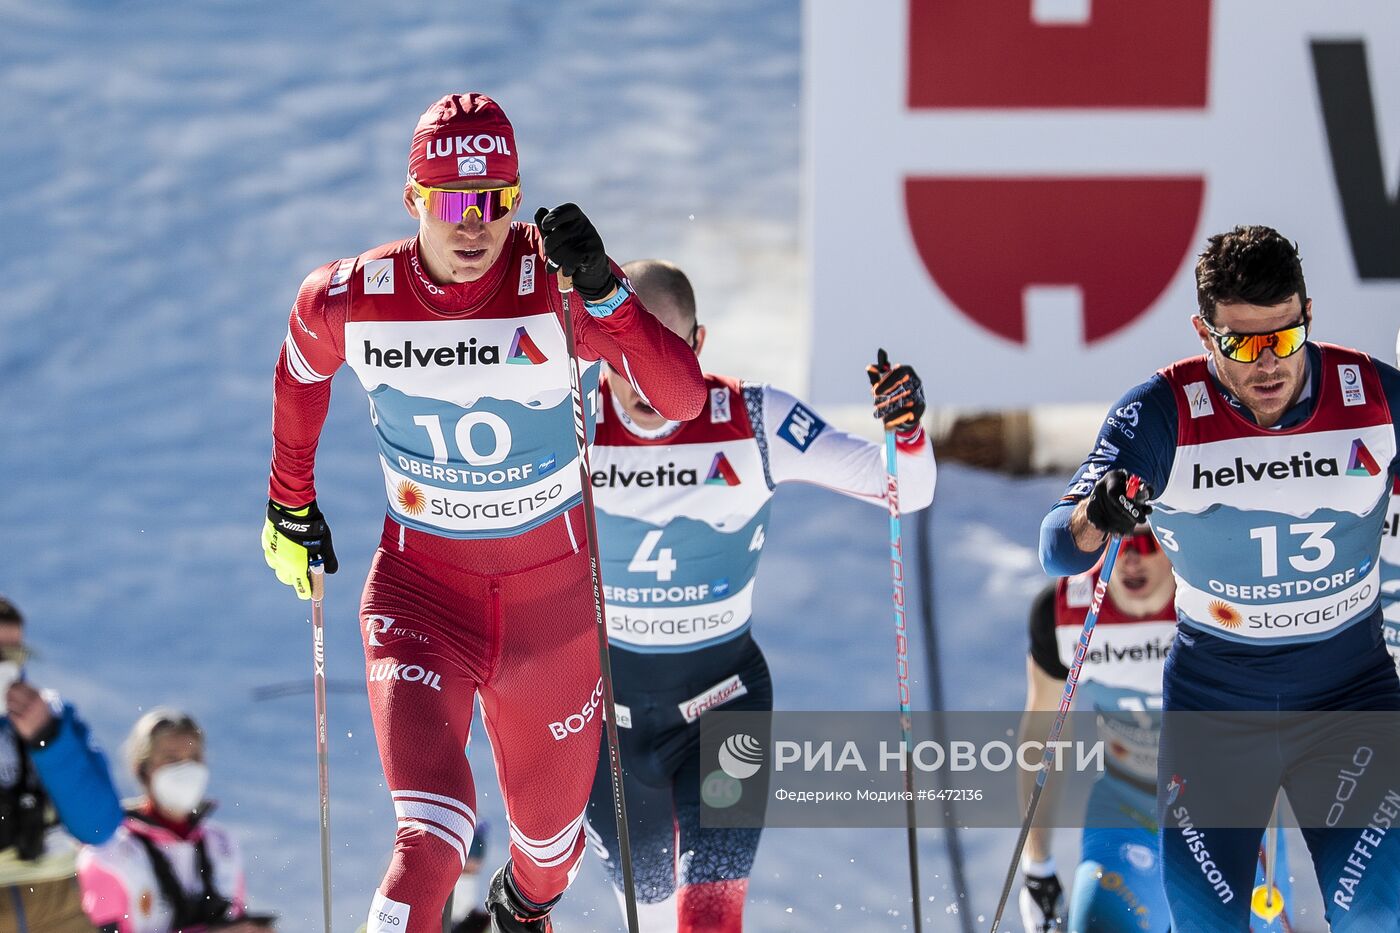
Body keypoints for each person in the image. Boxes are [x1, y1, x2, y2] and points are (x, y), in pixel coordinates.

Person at [259, 94, 706, 933]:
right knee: (430, 840)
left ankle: (523, 907)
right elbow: (300, 365)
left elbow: (680, 398)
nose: (477, 226)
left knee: (548, 853)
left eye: (497, 200)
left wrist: (608, 293)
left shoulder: (556, 284)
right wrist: (288, 500)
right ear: (413, 199)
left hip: (553, 615)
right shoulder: (352, 297)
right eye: (456, 202)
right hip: (421, 596)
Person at [1039, 225, 1400, 931]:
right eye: (1242, 344)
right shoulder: (1162, 412)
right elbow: (1058, 547)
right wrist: (1097, 512)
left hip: (1349, 700)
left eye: (1285, 338)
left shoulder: (1375, 395)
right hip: (1216, 714)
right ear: (1205, 332)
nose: (1270, 366)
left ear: (1307, 315)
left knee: (1378, 913)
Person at [581, 260, 935, 931]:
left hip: (723, 705)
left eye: (668, 354)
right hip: (606, 721)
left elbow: (905, 489)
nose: (647, 381)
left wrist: (907, 432)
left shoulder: (752, 417)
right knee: (649, 916)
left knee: (709, 919)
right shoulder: (569, 422)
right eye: (629, 355)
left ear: (699, 345)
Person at [1017, 530, 1292, 932]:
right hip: (1127, 806)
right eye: (1121, 543)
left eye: (1147, 543)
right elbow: (1043, 735)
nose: (1132, 558)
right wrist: (1036, 866)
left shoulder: (1220, 603)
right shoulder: (1065, 612)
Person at [76, 710, 272, 932]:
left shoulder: (221, 845)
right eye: (172, 759)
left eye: (195, 758)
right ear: (143, 769)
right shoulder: (109, 853)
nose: (186, 770)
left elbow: (233, 917)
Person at [0, 595, 123, 933]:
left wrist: (47, 740)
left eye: (15, 655)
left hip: (63, 898)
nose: (7, 667)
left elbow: (99, 826)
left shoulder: (54, 715)